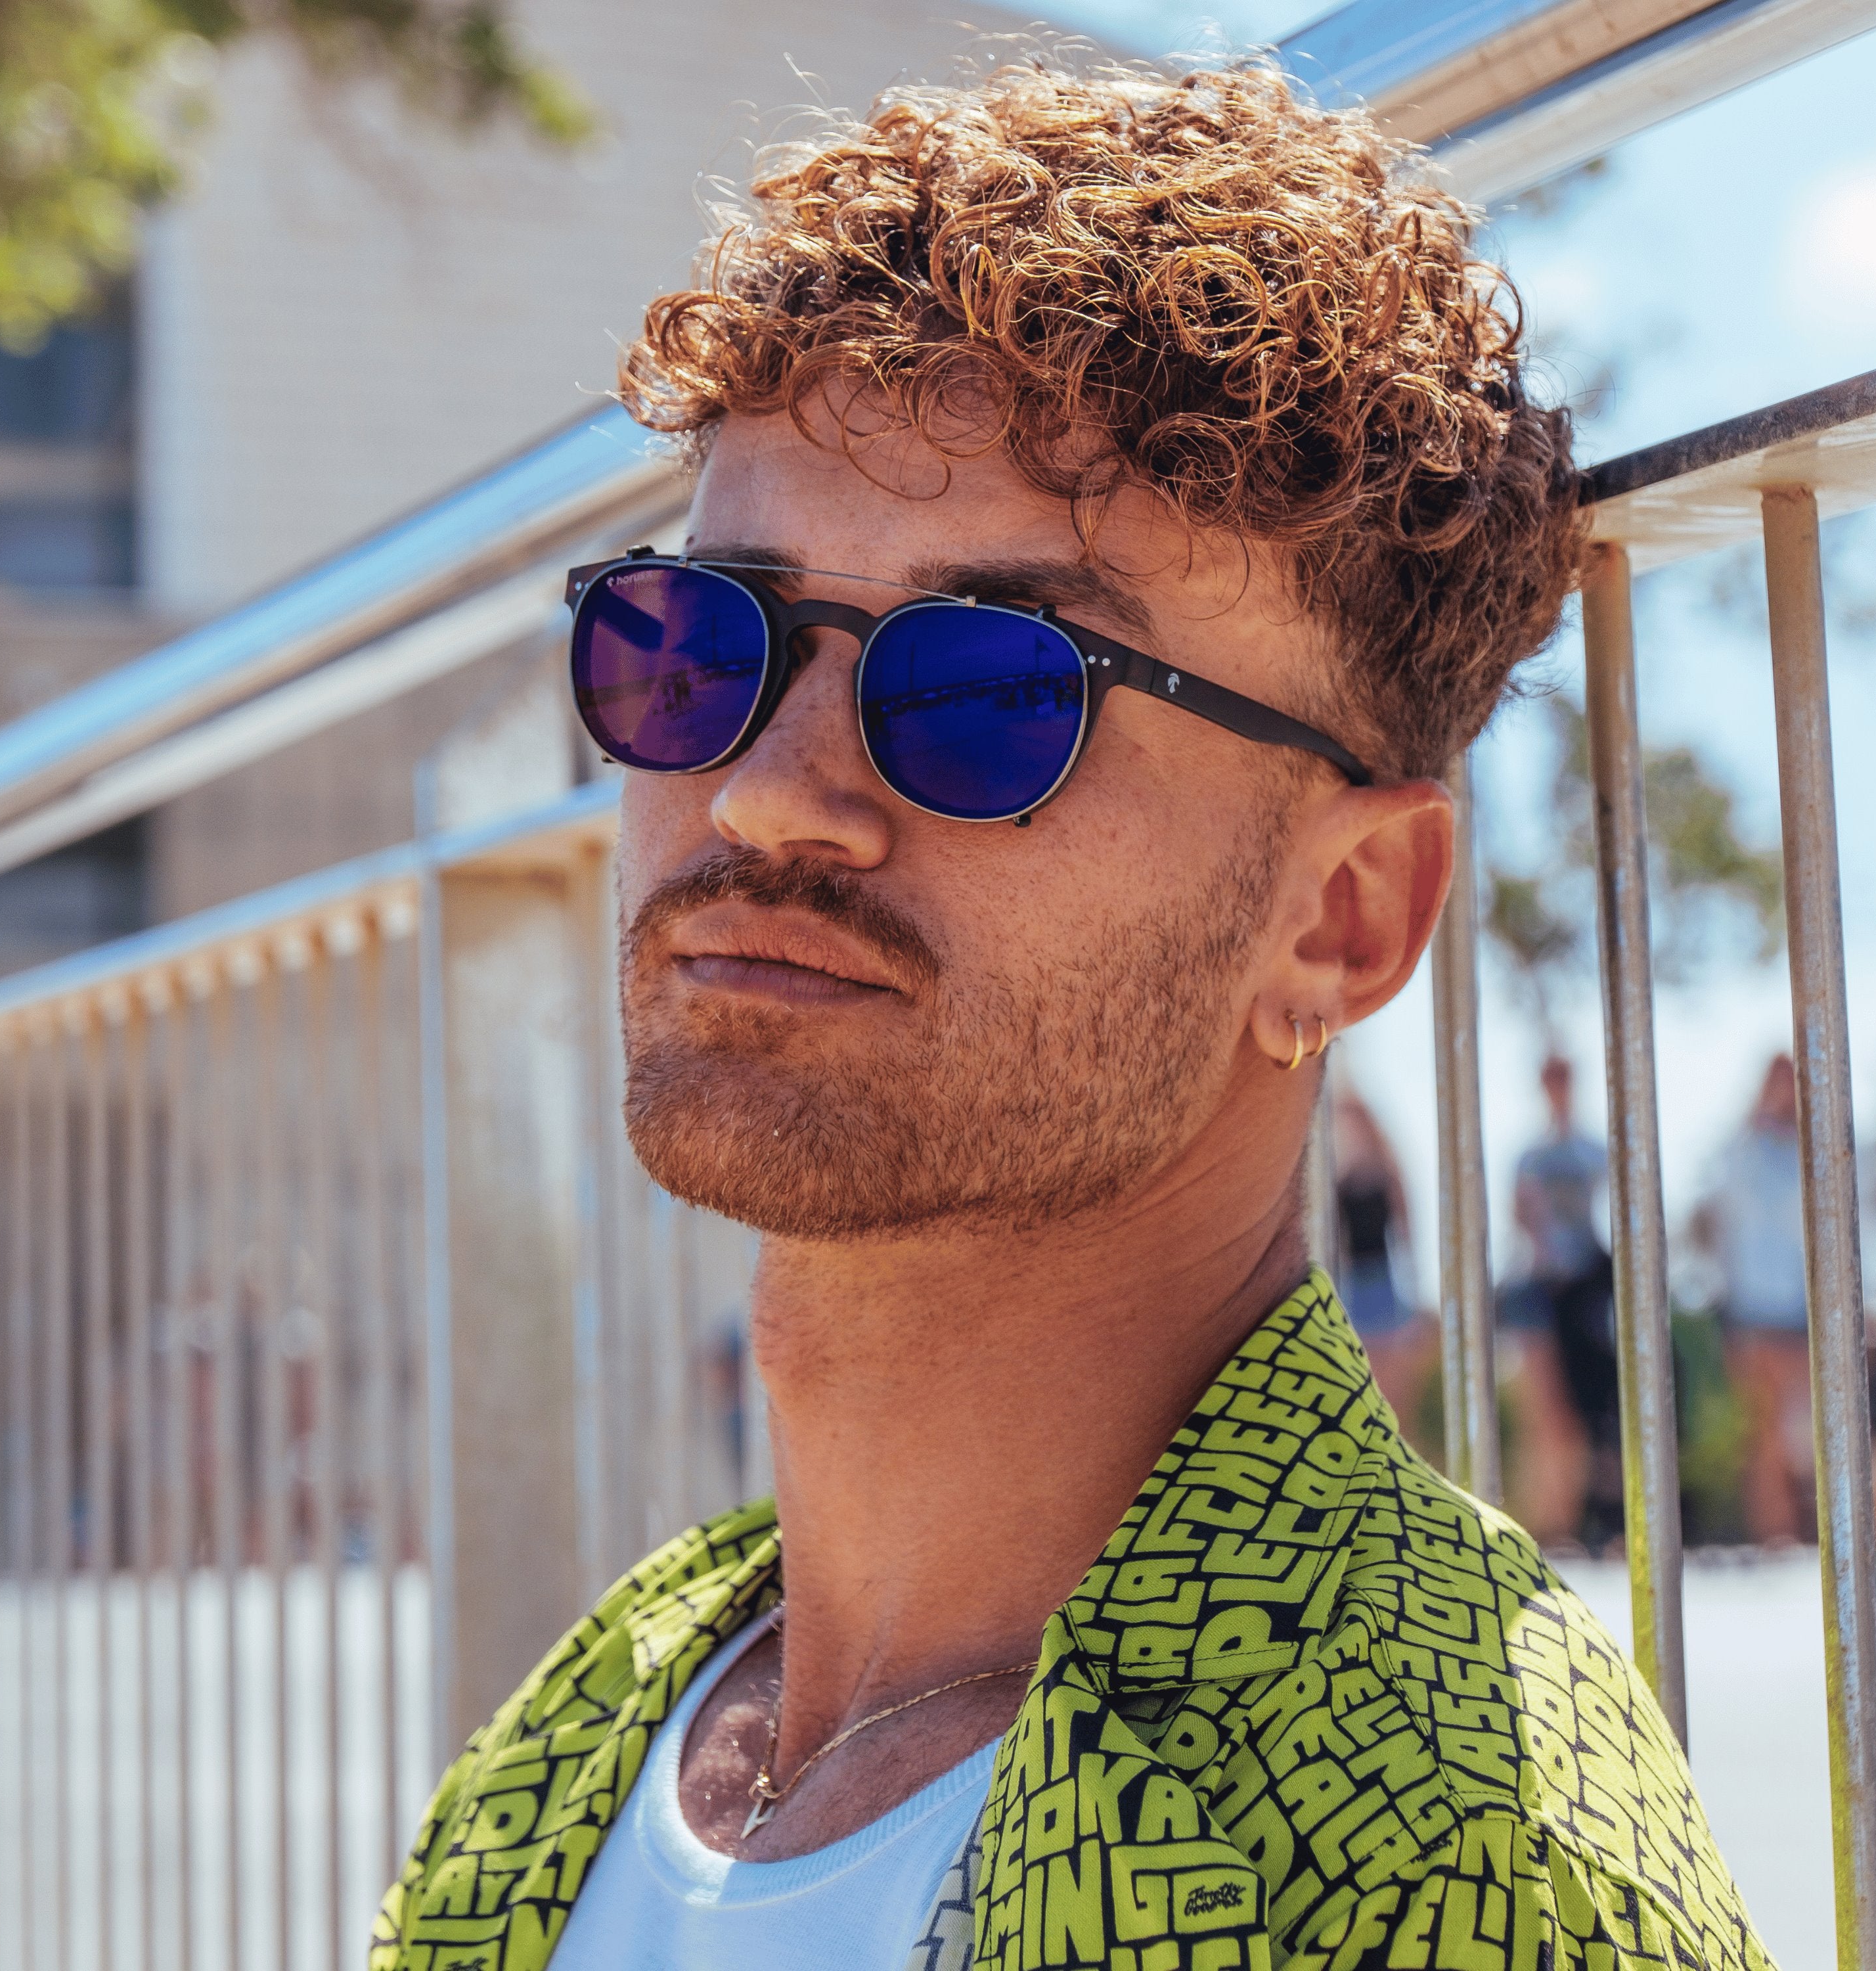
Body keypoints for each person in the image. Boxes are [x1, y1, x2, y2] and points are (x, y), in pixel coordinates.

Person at [371, 53, 1769, 1971]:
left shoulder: (1438, 1863)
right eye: (697, 644)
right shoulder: (597, 1719)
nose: (767, 794)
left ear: (1343, 917)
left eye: (984, 692)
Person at [1501, 1055, 1621, 1550]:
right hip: (1538, 1291)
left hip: (1584, 1295)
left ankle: (1571, 1526)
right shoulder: (1529, 1155)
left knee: (1584, 1415)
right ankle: (1544, 1527)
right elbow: (1519, 1217)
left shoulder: (1594, 1149)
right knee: (1543, 1413)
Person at [1695, 1054, 1812, 1545]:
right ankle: (1773, 1529)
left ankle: (1802, 1524)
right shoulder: (1740, 1149)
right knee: (1763, 1424)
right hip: (1750, 1306)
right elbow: (1713, 1216)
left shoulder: (1809, 1148)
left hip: (1800, 1306)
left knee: (1802, 1426)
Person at [1331, 1087, 1428, 1439]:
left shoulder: (1387, 1175)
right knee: (1358, 1391)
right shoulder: (1335, 1180)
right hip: (1350, 1289)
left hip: (1383, 1285)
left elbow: (1405, 1232)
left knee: (1393, 1393)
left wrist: (1414, 1293)